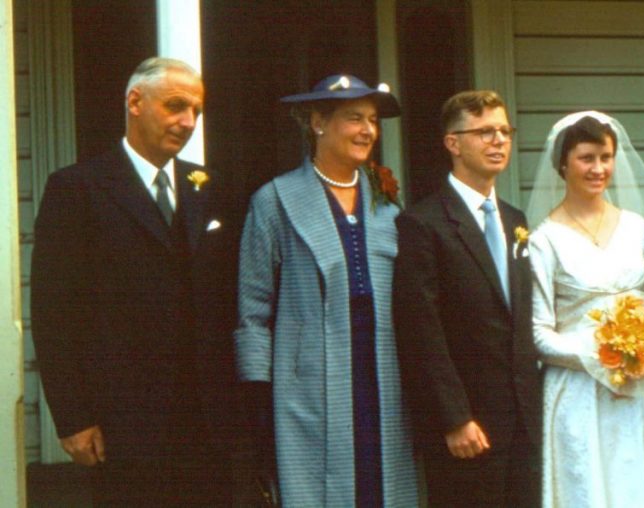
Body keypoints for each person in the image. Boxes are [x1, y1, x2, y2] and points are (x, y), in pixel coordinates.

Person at [31, 56, 239, 506]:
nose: (188, 122)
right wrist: (73, 417)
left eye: (196, 112)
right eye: (176, 106)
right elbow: (53, 312)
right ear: (135, 101)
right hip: (124, 422)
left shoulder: (208, 187)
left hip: (208, 419)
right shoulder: (78, 188)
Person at [234, 73, 418, 506]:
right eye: (355, 118)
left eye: (373, 119)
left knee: (382, 487)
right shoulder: (274, 199)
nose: (368, 130)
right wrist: (257, 396)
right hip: (306, 384)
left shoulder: (387, 203)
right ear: (318, 122)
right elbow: (253, 307)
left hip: (381, 372)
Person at [526, 111, 644, 508]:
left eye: (606, 157)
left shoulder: (637, 228)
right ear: (563, 163)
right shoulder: (545, 240)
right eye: (586, 158)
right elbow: (538, 332)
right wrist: (607, 359)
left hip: (640, 392)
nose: (598, 169)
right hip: (579, 393)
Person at [393, 90, 542, 507]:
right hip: (468, 424)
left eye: (504, 131)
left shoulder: (516, 220)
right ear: (452, 143)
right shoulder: (422, 224)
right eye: (484, 132)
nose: (498, 141)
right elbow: (421, 332)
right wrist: (454, 418)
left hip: (524, 423)